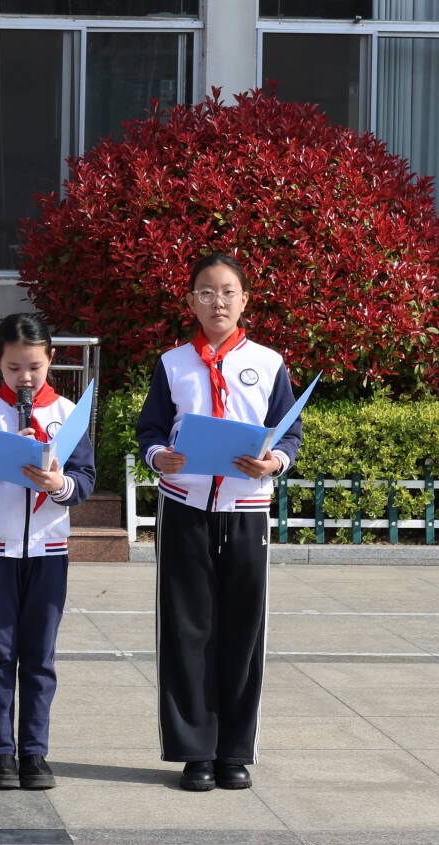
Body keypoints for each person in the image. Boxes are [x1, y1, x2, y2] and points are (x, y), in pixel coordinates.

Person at [135, 252, 302, 792]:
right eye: (206, 292)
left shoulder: (270, 363)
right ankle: (194, 751)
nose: (218, 302)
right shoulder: (172, 364)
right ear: (190, 302)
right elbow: (150, 432)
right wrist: (161, 456)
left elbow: (289, 434)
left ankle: (234, 750)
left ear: (246, 299)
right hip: (184, 508)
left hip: (247, 508)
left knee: (243, 631)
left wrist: (274, 461)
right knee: (187, 631)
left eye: (228, 291)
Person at [0, 312, 97, 790]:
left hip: (49, 549)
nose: (25, 378)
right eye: (13, 368)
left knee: (39, 655)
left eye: (33, 366)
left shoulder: (69, 412)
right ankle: (0, 752)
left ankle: (34, 751)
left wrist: (59, 484)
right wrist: (2, 455)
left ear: (51, 359)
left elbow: (86, 480)